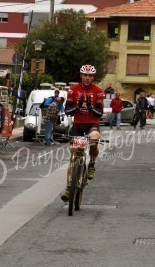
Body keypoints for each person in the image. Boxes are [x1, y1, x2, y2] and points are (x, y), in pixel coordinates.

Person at [61, 64, 104, 202]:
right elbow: (67, 111)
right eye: (85, 75)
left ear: (93, 77)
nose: (87, 78)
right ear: (81, 76)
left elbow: (99, 113)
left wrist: (91, 107)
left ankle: (91, 164)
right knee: (74, 154)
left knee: (94, 138)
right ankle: (69, 188)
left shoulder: (98, 90)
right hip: (78, 124)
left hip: (92, 123)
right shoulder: (73, 90)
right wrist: (77, 107)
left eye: (90, 75)